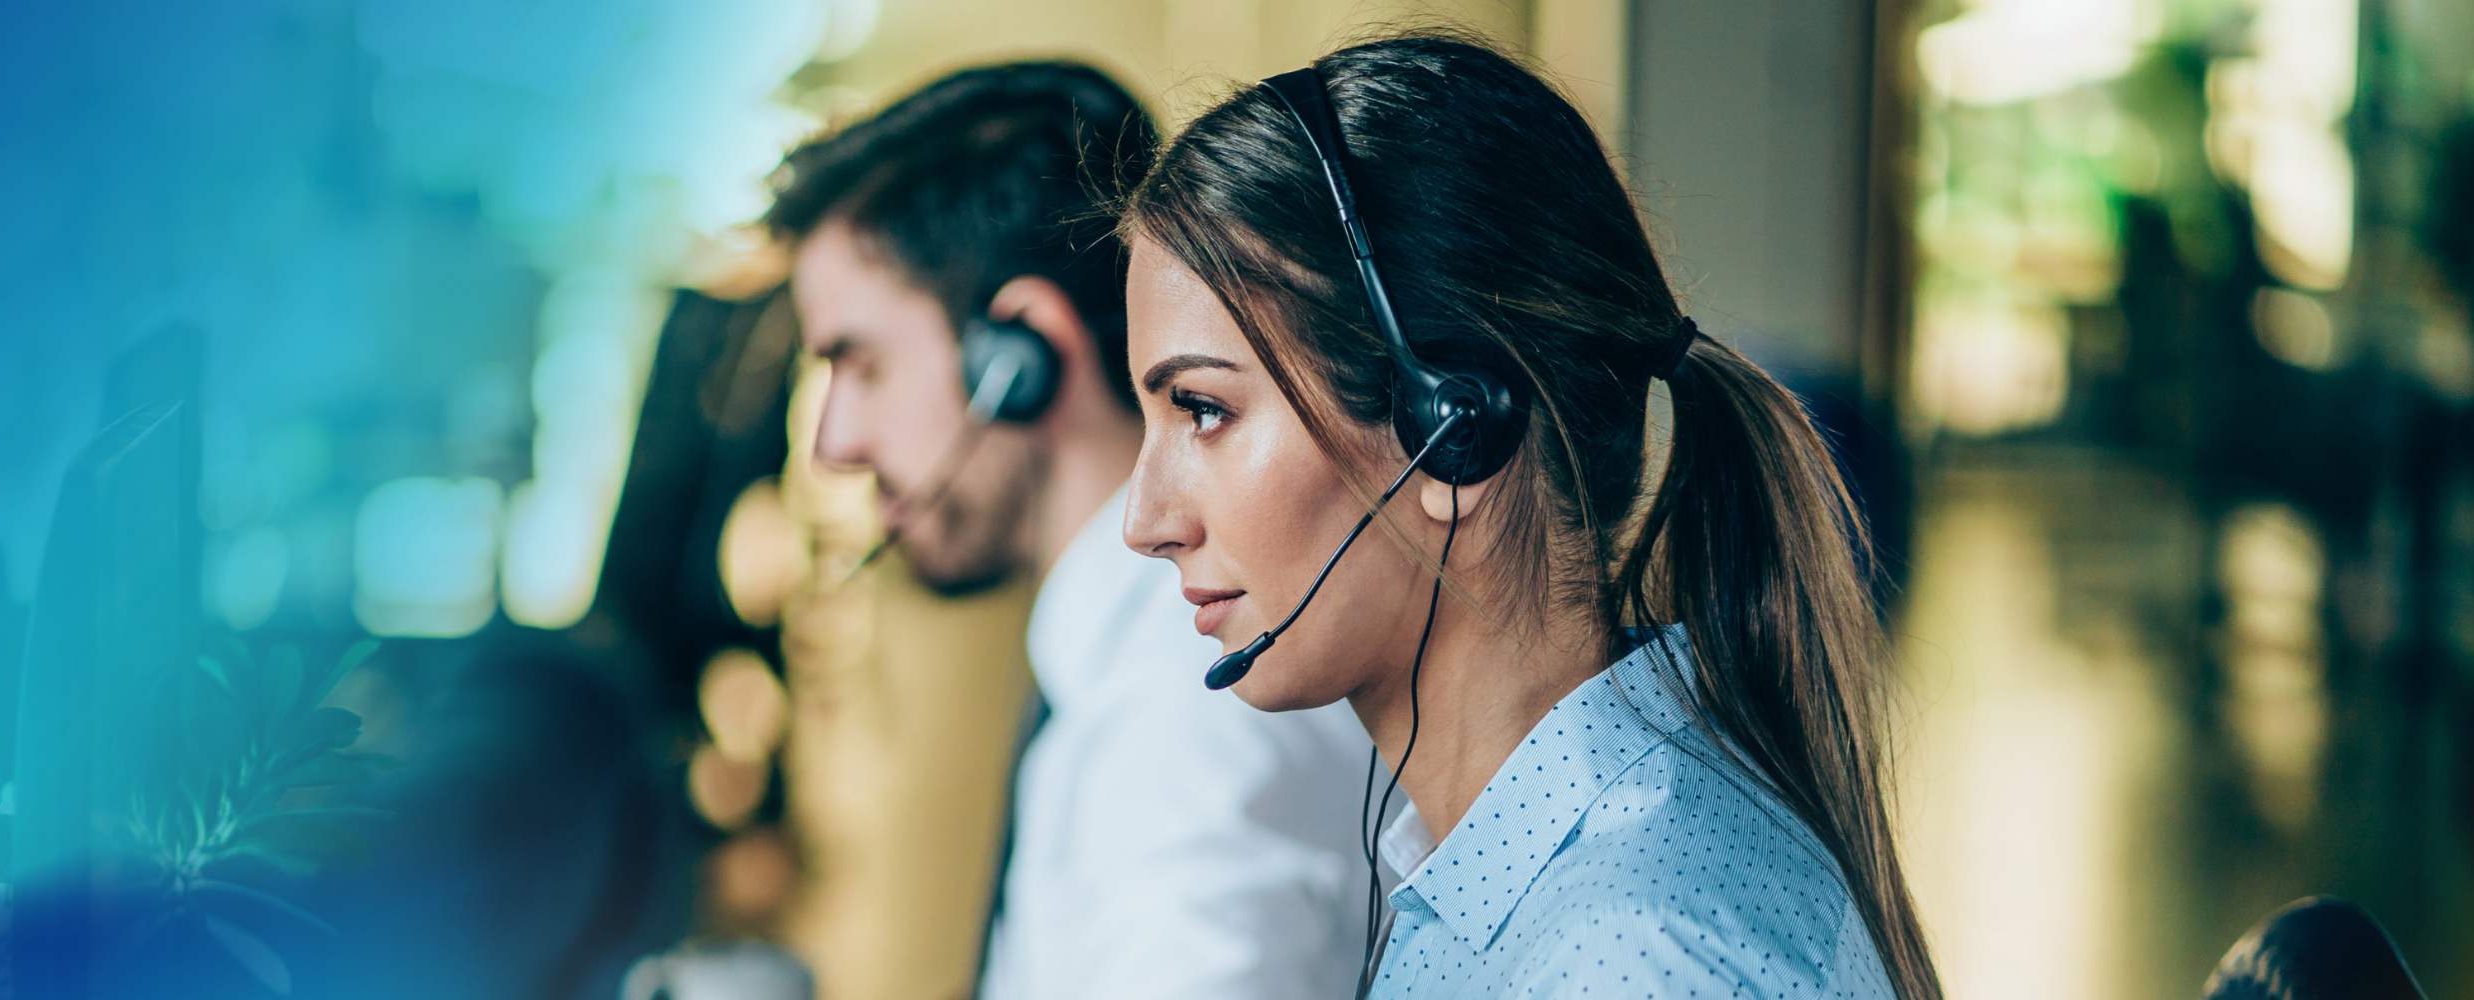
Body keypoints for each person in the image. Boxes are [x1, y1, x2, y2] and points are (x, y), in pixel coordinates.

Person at [1116, 33, 1945, 998]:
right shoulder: (1535, 864)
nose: (1144, 519)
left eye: (1204, 411)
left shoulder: (1627, 956)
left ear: (1452, 430)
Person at [767, 60, 1380, 999]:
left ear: (1019, 357)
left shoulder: (1187, 703)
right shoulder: (1119, 677)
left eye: (862, 365)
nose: (834, 443)